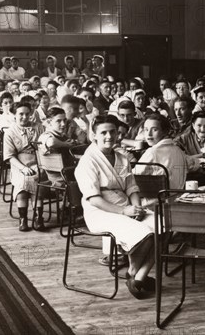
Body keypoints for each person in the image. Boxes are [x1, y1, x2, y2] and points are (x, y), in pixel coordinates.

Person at [76, 114, 155, 299]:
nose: (109, 136)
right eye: (103, 132)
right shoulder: (88, 161)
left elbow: (131, 187)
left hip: (126, 207)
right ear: (94, 135)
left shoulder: (122, 157)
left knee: (163, 226)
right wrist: (123, 211)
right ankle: (134, 272)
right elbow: (94, 199)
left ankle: (138, 277)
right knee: (146, 235)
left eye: (113, 132)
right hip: (100, 212)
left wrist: (136, 208)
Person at [3, 102, 45, 231]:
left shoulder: (39, 127)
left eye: (27, 114)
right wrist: (23, 168)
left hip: (38, 162)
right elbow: (10, 156)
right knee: (23, 180)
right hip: (19, 164)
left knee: (37, 178)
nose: (24, 117)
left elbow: (44, 147)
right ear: (14, 115)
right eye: (21, 114)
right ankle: (23, 218)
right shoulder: (10, 132)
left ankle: (38, 217)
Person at [134, 113, 199, 189]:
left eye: (155, 129)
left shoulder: (152, 152)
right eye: (146, 129)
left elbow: (134, 175)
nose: (149, 134)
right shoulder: (178, 150)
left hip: (155, 198)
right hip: (176, 196)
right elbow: (195, 164)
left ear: (164, 131)